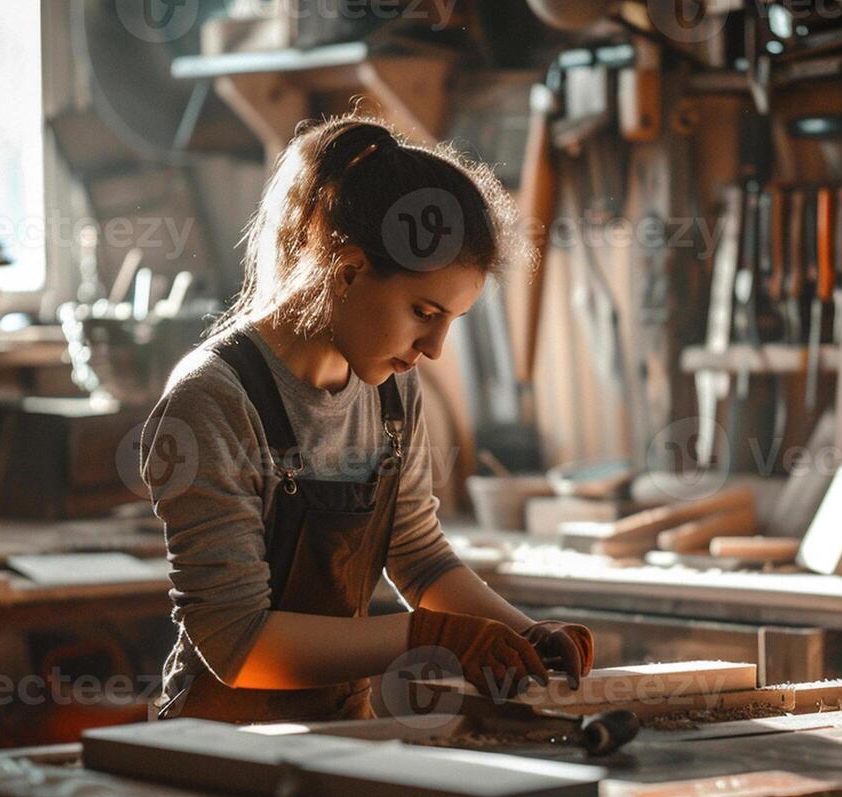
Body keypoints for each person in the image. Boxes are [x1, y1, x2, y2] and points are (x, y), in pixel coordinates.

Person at [141, 115, 594, 724]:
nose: (433, 348)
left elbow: (419, 557)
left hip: (341, 731)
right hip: (219, 747)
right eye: (423, 311)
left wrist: (525, 633)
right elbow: (235, 643)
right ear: (348, 270)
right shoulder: (214, 399)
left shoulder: (391, 391)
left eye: (450, 321)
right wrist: (428, 637)